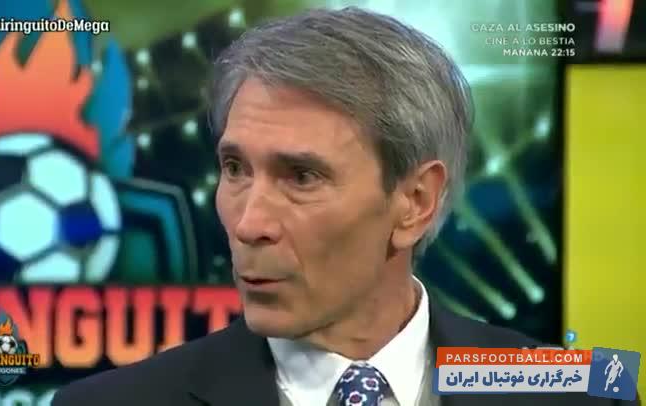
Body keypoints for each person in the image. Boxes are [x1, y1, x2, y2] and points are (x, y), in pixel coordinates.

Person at [52, 7, 637, 406]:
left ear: (414, 202)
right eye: (235, 168)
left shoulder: (583, 392)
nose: (249, 223)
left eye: (301, 176)